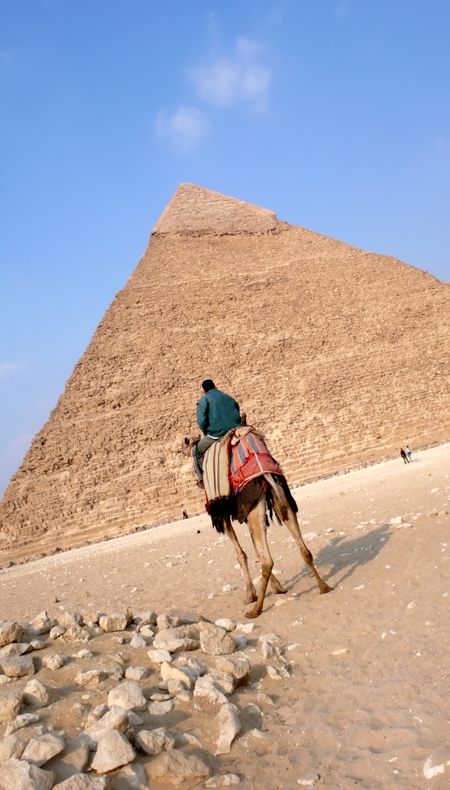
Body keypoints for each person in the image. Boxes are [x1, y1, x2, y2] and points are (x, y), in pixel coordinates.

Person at [192, 379, 242, 487]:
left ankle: (202, 479)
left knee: (195, 451)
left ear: (204, 390)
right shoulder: (229, 397)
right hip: (237, 430)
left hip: (217, 433)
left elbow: (201, 421)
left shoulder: (204, 400)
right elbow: (237, 410)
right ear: (215, 386)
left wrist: (207, 433)